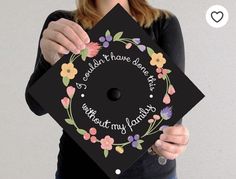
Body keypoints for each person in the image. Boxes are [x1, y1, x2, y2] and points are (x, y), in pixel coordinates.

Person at [25, 0, 190, 178]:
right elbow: (37, 105)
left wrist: (173, 140)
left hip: (150, 173)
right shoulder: (64, 23)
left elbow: (172, 109)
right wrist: (48, 62)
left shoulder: (163, 22)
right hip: (79, 170)